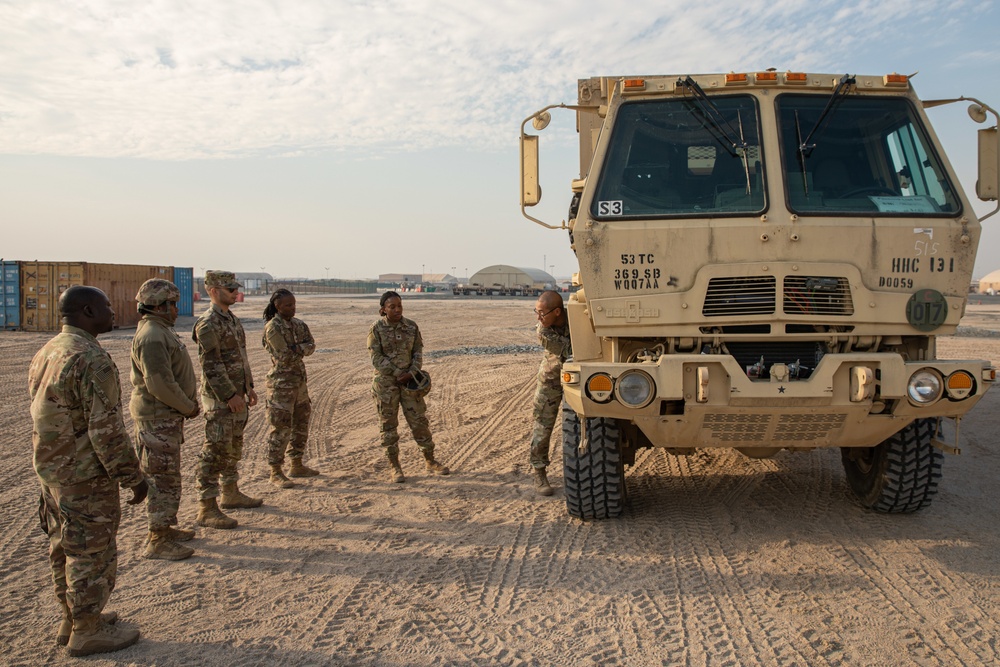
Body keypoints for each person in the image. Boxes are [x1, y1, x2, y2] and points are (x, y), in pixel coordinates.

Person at [29, 285, 149, 656]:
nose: (114, 312)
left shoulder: (48, 351)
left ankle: (73, 616)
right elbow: (107, 430)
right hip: (84, 475)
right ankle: (87, 629)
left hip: (52, 470)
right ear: (87, 311)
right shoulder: (90, 359)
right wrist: (133, 476)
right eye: (107, 306)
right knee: (91, 552)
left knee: (63, 546)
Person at [129, 279, 201, 561]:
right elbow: (158, 382)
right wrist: (187, 406)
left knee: (169, 476)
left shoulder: (161, 331)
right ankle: (157, 539)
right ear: (158, 306)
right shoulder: (152, 336)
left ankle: (165, 529)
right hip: (157, 419)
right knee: (161, 478)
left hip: (165, 419)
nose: (175, 310)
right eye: (172, 304)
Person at [192, 270, 261, 529]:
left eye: (235, 289)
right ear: (213, 291)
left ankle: (230, 492)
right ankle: (206, 507)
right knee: (215, 450)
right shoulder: (208, 323)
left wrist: (247, 387)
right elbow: (210, 364)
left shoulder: (230, 319)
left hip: (237, 395)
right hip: (221, 399)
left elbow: (240, 358)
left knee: (233, 447)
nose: (235, 293)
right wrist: (229, 394)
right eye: (230, 289)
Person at [367, 291, 449, 482]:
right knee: (388, 427)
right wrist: (398, 373)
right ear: (383, 310)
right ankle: (394, 467)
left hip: (410, 384)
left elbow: (418, 351)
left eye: (399, 305)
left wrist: (412, 372)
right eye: (392, 307)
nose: (397, 310)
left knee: (419, 422)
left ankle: (430, 460)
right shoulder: (376, 329)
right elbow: (376, 357)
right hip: (386, 385)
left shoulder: (411, 327)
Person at [262, 288, 319, 488]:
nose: (292, 308)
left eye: (294, 304)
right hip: (281, 385)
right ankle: (275, 471)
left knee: (301, 424)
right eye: (288, 305)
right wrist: (298, 349)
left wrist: (298, 348)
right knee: (280, 428)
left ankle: (296, 464)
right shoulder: (273, 328)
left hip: (299, 383)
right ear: (278, 306)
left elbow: (311, 345)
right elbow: (283, 356)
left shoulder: (298, 325)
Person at [529, 290, 571, 496]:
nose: (538, 318)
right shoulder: (542, 330)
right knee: (542, 425)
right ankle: (539, 471)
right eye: (536, 312)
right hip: (552, 379)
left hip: (579, 379)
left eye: (541, 313)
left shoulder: (576, 318)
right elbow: (571, 350)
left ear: (557, 312)